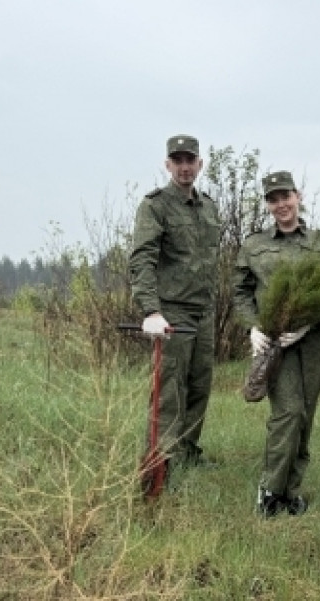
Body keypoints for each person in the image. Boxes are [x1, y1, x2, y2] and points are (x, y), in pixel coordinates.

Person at [232, 170, 320, 517]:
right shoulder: (254, 245)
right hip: (275, 343)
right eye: (273, 199)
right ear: (267, 204)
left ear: (298, 195)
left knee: (305, 416)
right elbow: (240, 291)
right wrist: (252, 327)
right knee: (288, 412)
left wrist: (309, 323)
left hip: (314, 342)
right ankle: (269, 492)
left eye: (286, 196)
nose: (281, 204)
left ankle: (291, 494)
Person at [129, 134, 221, 485]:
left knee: (200, 387)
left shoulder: (209, 207)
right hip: (172, 312)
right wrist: (151, 310)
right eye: (177, 160)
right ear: (168, 165)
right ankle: (159, 465)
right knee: (170, 390)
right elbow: (142, 259)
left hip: (204, 311)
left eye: (190, 160)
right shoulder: (155, 206)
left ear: (200, 164)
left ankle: (186, 454)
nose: (184, 167)